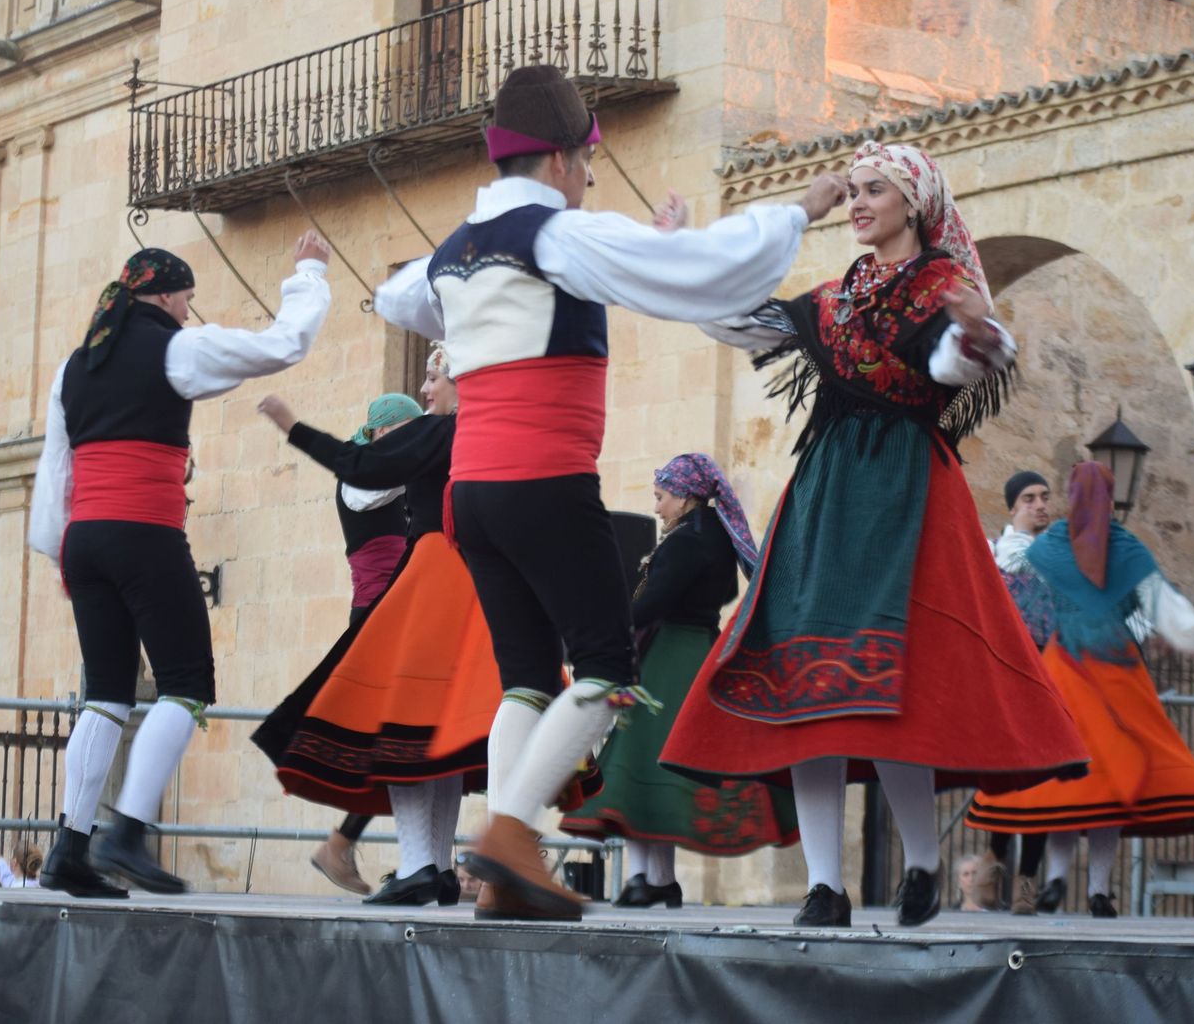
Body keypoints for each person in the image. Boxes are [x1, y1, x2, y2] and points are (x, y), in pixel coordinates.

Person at [375, 63, 837, 922]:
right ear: (557, 160)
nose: (589, 179)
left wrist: (648, 248)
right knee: (607, 669)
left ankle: (502, 869)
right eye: (586, 161)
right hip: (543, 480)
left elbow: (394, 298)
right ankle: (511, 838)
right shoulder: (555, 236)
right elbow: (699, 267)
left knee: (524, 679)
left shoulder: (451, 256)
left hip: (472, 495)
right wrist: (799, 210)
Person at [660, 139, 1090, 929]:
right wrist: (681, 255)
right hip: (826, 491)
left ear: (914, 204)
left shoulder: (942, 286)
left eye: (873, 191)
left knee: (896, 683)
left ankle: (922, 864)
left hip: (904, 491)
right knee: (806, 684)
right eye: (852, 190)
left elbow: (961, 361)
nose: (857, 203)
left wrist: (976, 334)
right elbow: (740, 322)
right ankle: (826, 885)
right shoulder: (836, 296)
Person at [28, 234, 333, 897]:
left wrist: (61, 550)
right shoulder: (176, 348)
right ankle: (128, 832)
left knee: (105, 694)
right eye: (188, 301)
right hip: (143, 530)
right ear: (166, 296)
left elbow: (55, 470)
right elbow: (284, 345)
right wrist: (308, 273)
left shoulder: (74, 366)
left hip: (85, 538)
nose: (189, 313)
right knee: (186, 684)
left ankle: (68, 850)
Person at [253, 344, 497, 907]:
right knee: (438, 736)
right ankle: (434, 867)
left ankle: (417, 866)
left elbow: (359, 465)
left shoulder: (440, 432)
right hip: (475, 585)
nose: (426, 387)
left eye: (434, 376)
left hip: (433, 579)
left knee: (403, 727)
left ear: (459, 381)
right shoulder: (483, 432)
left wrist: (293, 425)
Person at [966, 461, 1194, 918]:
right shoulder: (1124, 548)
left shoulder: (1056, 544)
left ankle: (1059, 882)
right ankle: (1096, 890)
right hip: (1115, 675)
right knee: (1113, 781)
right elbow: (1165, 608)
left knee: (1070, 782)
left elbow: (1006, 563)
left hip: (1066, 671)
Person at [560, 453, 797, 908]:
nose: (656, 507)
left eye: (661, 496)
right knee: (652, 760)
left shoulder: (689, 542)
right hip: (692, 649)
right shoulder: (711, 536)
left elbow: (653, 603)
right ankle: (654, 879)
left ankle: (649, 878)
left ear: (687, 496)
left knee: (641, 757)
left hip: (671, 656)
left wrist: (601, 625)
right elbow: (723, 593)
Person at [310, 391, 424, 897]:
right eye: (408, 432)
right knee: (397, 738)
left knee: (406, 739)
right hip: (378, 615)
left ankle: (355, 842)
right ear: (381, 433)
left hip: (398, 611)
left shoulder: (383, 472)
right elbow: (383, 482)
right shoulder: (361, 477)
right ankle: (345, 842)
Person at [985, 469, 1055, 913]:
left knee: (1042, 783)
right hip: (1006, 676)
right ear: (1013, 507)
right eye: (1029, 498)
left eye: (1045, 496)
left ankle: (1026, 885)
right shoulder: (998, 553)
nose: (1040, 504)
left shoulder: (1053, 556)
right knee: (1000, 778)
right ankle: (995, 869)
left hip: (1048, 677)